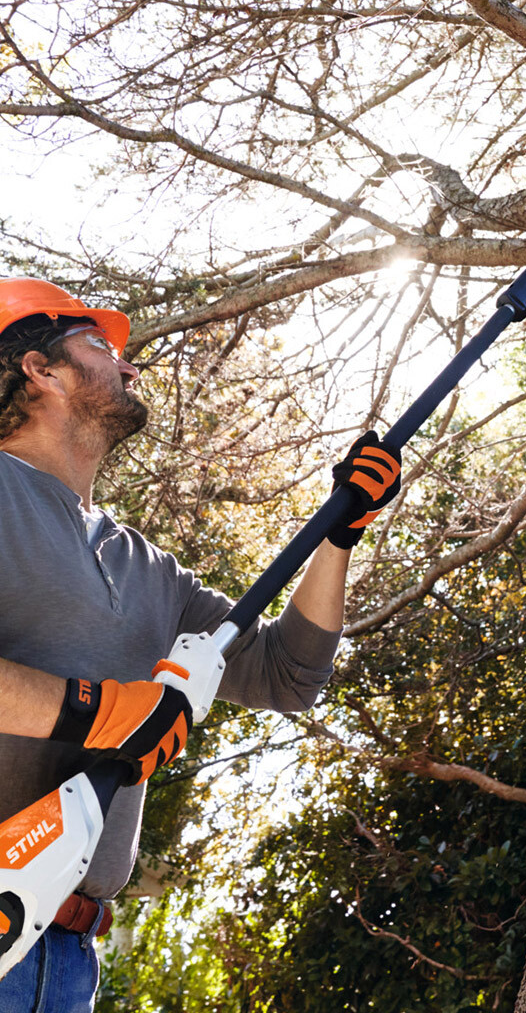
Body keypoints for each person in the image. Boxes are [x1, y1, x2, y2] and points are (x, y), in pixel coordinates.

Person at [0, 277, 402, 1012]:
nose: (129, 366)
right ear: (39, 369)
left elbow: (289, 673)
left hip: (64, 957)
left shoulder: (149, 570)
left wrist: (342, 533)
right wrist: (100, 713)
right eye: (102, 347)